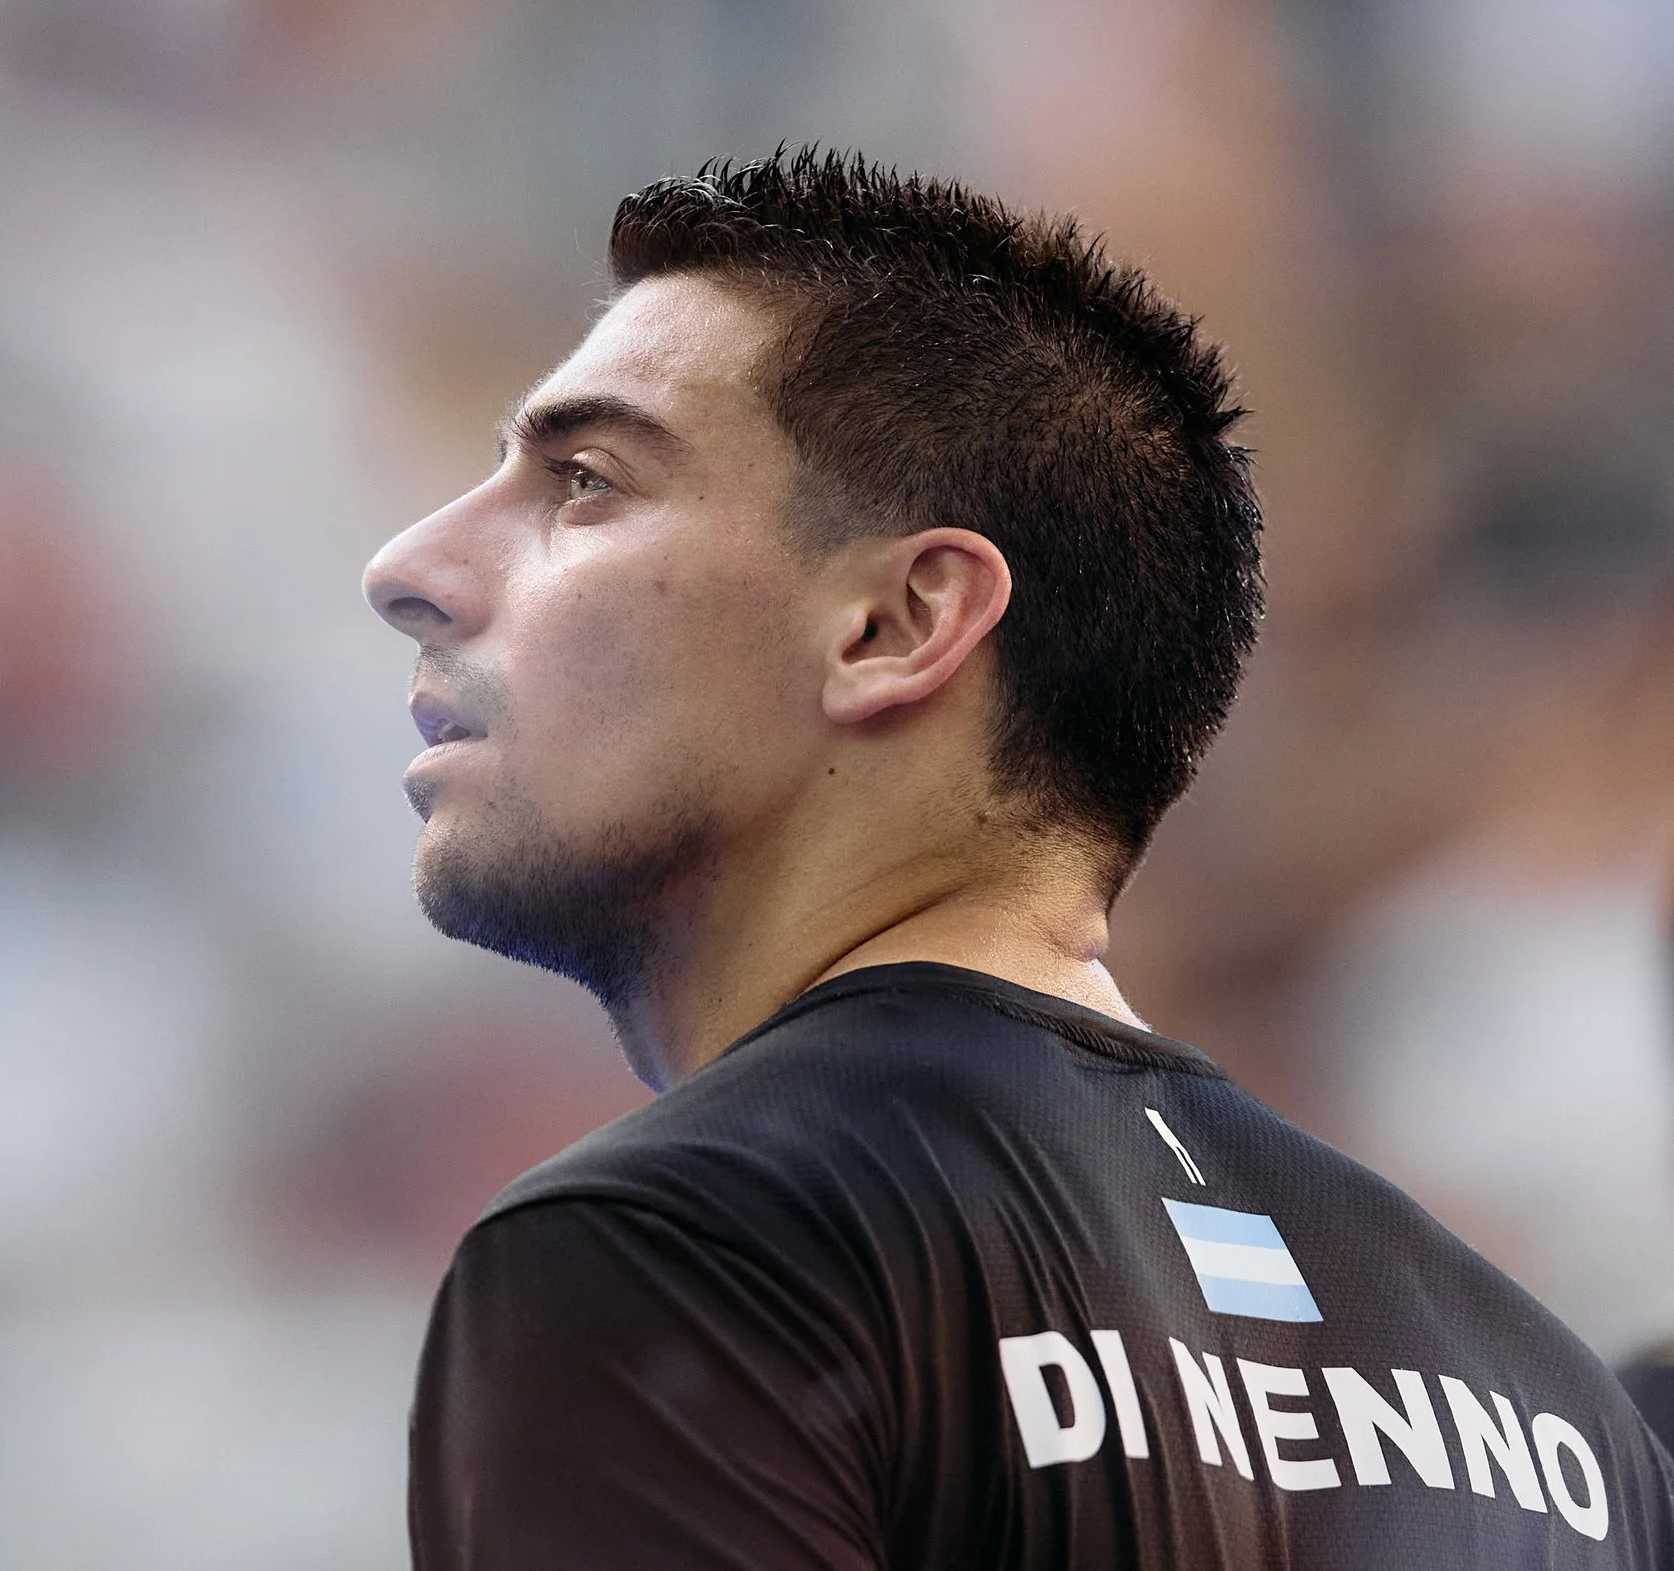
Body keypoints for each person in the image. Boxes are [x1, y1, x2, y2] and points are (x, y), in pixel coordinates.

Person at [361, 150, 1674, 1569]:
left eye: (588, 481)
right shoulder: (1554, 1410)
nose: (411, 564)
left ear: (899, 623)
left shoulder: (683, 1246)